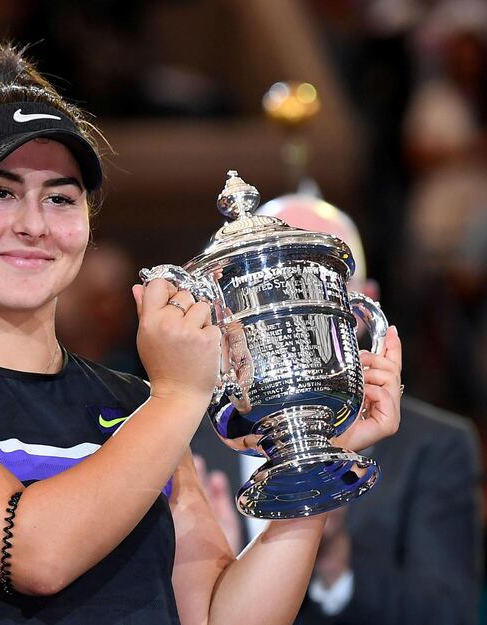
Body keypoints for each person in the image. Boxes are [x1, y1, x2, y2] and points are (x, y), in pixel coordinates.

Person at [0, 42, 403, 625]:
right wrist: (177, 394)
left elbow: (220, 618)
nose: (32, 224)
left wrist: (317, 461)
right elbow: (35, 554)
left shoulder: (137, 410)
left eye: (60, 198)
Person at [191, 194, 482, 625]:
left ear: (364, 304)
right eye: (265, 289)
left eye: (316, 286)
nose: (289, 316)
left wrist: (334, 561)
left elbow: (449, 614)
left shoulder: (435, 445)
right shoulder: (190, 442)